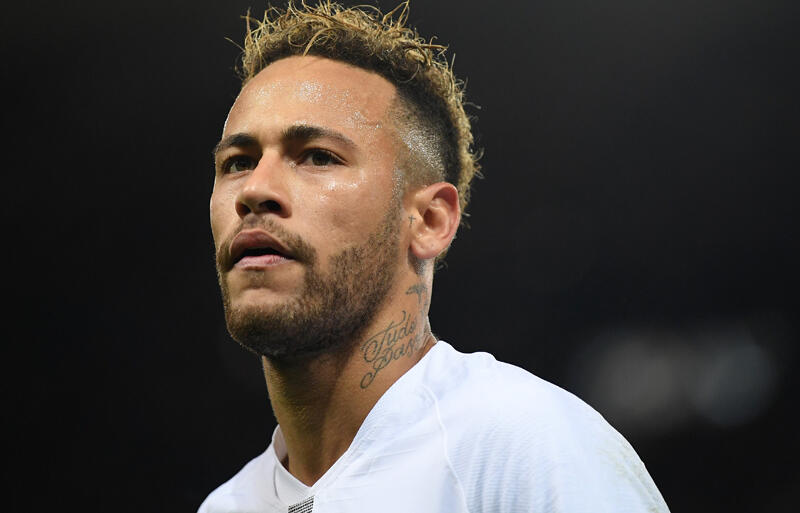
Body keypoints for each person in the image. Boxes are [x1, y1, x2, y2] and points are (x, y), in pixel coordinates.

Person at [200, 1, 670, 512]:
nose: (256, 189)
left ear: (429, 221)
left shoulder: (530, 450)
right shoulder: (225, 506)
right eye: (237, 163)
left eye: (318, 156)